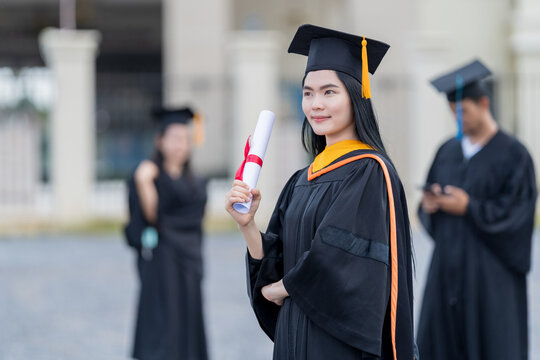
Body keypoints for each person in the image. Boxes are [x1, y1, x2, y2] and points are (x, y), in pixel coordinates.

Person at [225, 24, 415, 360]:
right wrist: (247, 224)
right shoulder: (302, 178)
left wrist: (281, 289)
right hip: (295, 336)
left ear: (356, 95)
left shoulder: (369, 171)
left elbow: (338, 257)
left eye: (330, 92)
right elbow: (277, 258)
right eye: (308, 93)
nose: (316, 104)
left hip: (335, 343)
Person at [417, 59, 537, 360]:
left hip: (490, 280)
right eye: (453, 111)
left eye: (464, 111)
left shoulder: (514, 154)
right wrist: (429, 205)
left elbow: (519, 216)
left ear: (484, 103)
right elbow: (427, 211)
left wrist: (469, 206)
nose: (459, 119)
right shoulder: (448, 151)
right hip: (446, 273)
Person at [124, 107, 208, 360]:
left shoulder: (197, 183)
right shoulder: (144, 177)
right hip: (159, 264)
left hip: (187, 263)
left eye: (185, 139)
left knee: (187, 321)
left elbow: (185, 223)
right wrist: (144, 184)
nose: (180, 145)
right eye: (173, 138)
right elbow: (148, 220)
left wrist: (163, 225)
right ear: (160, 141)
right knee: (159, 320)